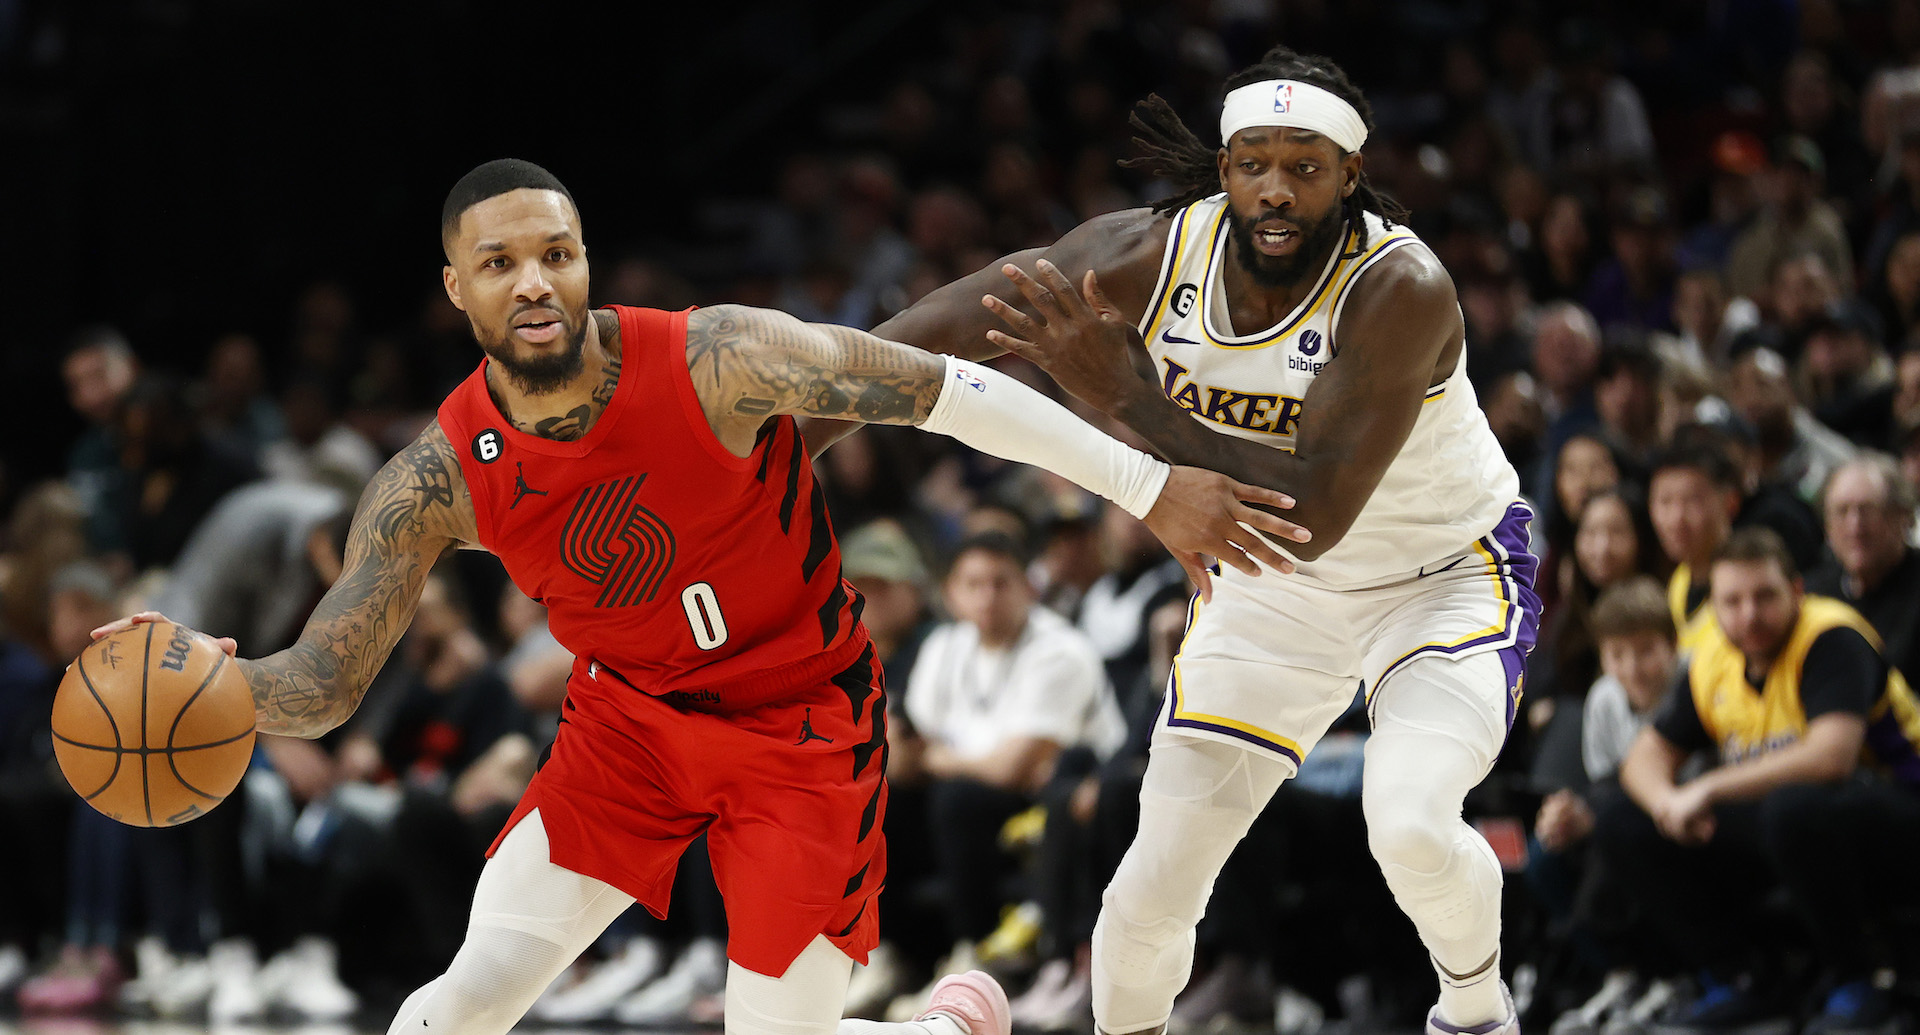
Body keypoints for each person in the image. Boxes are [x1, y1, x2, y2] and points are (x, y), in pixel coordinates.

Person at [89, 159, 1304, 1035]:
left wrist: (1151, 487)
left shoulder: (720, 355)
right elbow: (322, 680)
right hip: (629, 730)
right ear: (454, 290)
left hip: (804, 733)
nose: (533, 282)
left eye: (554, 254)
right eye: (499, 263)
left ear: (583, 262)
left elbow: (950, 389)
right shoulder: (436, 478)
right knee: (449, 1011)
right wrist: (203, 675)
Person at [862, 45, 1540, 1035]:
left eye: (1303, 167)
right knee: (1147, 894)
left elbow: (1314, 512)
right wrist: (800, 415)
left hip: (1437, 580)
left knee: (1408, 826)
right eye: (1251, 163)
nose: (1274, 190)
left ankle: (1475, 1011)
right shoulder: (1146, 254)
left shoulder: (1402, 286)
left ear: (1351, 177)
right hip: (1272, 589)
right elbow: (938, 333)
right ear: (1221, 170)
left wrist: (1130, 394)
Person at [1597, 528, 1920, 1033]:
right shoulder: (1714, 661)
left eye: (1764, 596)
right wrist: (1666, 803)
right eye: (1732, 601)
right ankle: (1741, 978)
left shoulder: (1832, 637)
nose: (1748, 615)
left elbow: (1830, 758)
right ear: (1716, 608)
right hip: (1793, 824)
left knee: (1793, 808)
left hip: (1897, 807)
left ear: (1796, 590)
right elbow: (1644, 757)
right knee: (1622, 818)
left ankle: (1860, 978)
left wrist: (1703, 790)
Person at [1806, 454, 1920, 679]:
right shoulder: (1811, 594)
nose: (1855, 527)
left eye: (1868, 510)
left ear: (1902, 517)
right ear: (1826, 526)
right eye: (1841, 511)